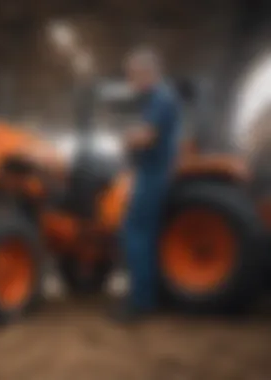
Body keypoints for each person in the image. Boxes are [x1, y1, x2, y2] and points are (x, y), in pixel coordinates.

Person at [110, 48, 181, 323]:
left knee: (136, 234)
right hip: (151, 172)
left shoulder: (160, 99)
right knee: (143, 234)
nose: (130, 81)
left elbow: (146, 137)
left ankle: (140, 302)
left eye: (132, 75)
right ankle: (145, 297)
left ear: (146, 72)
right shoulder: (159, 99)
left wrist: (126, 138)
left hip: (153, 173)